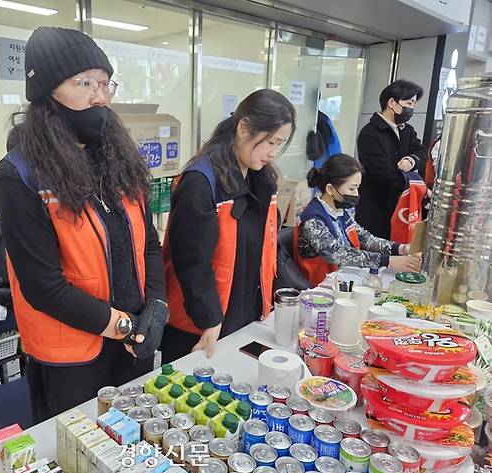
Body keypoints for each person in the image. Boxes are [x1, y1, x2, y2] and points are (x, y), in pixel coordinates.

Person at [0, 27, 168, 422]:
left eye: (105, 83)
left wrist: (155, 304)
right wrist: (124, 326)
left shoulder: (119, 161)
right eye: (84, 82)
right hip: (73, 358)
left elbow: (149, 244)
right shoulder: (20, 178)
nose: (100, 97)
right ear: (46, 92)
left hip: (131, 344)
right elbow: (44, 287)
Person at [160, 89, 295, 363]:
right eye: (270, 142)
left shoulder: (261, 179)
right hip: (200, 323)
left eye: (279, 144)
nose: (273, 152)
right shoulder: (200, 182)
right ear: (244, 128)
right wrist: (209, 319)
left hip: (243, 314)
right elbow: (191, 263)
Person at [295, 154, 422, 287]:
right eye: (351, 188)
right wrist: (389, 261)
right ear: (330, 189)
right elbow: (336, 253)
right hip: (319, 287)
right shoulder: (313, 220)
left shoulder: (341, 212)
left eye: (357, 188)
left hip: (343, 279)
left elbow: (367, 240)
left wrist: (401, 249)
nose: (356, 194)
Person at [357, 79, 427, 239]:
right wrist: (417, 187)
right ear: (392, 102)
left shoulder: (406, 130)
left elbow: (422, 152)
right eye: (409, 103)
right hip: (376, 207)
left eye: (414, 104)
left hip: (400, 207)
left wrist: (411, 159)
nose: (412, 109)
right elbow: (385, 174)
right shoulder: (369, 134)